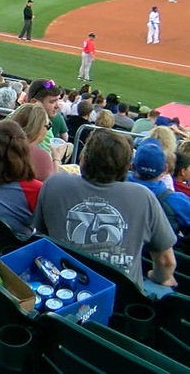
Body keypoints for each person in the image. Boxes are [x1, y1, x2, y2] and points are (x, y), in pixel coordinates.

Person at [33, 129, 177, 291]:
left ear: (83, 159)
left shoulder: (54, 184)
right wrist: (157, 277)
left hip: (62, 288)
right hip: (122, 301)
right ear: (128, 167)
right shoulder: (144, 197)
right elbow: (166, 262)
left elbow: (39, 236)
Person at [127, 140, 190, 236]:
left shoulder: (112, 187)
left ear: (132, 166)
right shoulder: (177, 200)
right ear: (165, 169)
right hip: (162, 249)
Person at [11, 103, 65, 182]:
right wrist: (56, 159)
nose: (48, 130)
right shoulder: (40, 156)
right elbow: (51, 188)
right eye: (48, 126)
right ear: (38, 128)